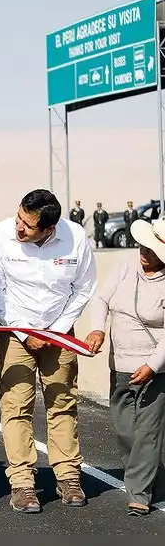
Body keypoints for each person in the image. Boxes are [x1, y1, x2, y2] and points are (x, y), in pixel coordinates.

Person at [0, 189, 97, 513]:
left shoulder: (75, 237)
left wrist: (58, 331)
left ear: (49, 230)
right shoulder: (0, 236)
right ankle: (22, 483)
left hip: (59, 333)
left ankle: (68, 476)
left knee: (62, 402)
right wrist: (23, 330)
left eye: (28, 226)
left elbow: (84, 288)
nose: (19, 228)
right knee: (16, 405)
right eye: (19, 217)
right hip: (16, 332)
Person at [85, 218, 165, 516]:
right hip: (119, 366)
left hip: (154, 369)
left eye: (152, 249)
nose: (144, 252)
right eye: (143, 246)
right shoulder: (124, 267)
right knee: (125, 431)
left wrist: (153, 365)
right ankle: (154, 475)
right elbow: (101, 299)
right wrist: (97, 329)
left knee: (148, 432)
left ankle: (140, 494)